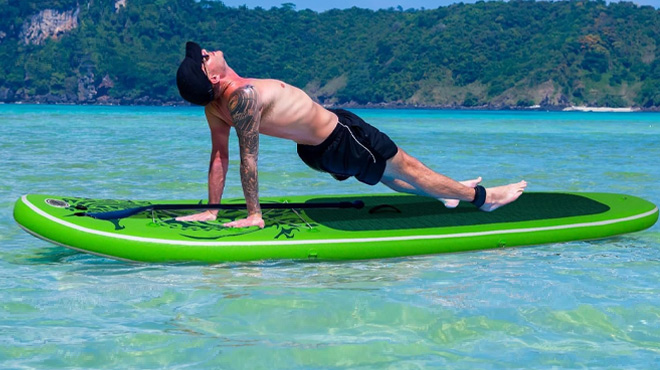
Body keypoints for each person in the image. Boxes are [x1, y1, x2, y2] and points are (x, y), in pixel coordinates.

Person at [175, 42, 527, 228]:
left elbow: (218, 157)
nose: (207, 51)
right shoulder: (243, 98)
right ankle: (482, 198)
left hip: (319, 148)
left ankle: (445, 195)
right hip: (340, 136)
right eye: (204, 59)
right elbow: (246, 157)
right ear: (214, 80)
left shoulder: (217, 107)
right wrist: (254, 214)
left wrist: (212, 210)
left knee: (386, 174)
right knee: (410, 166)